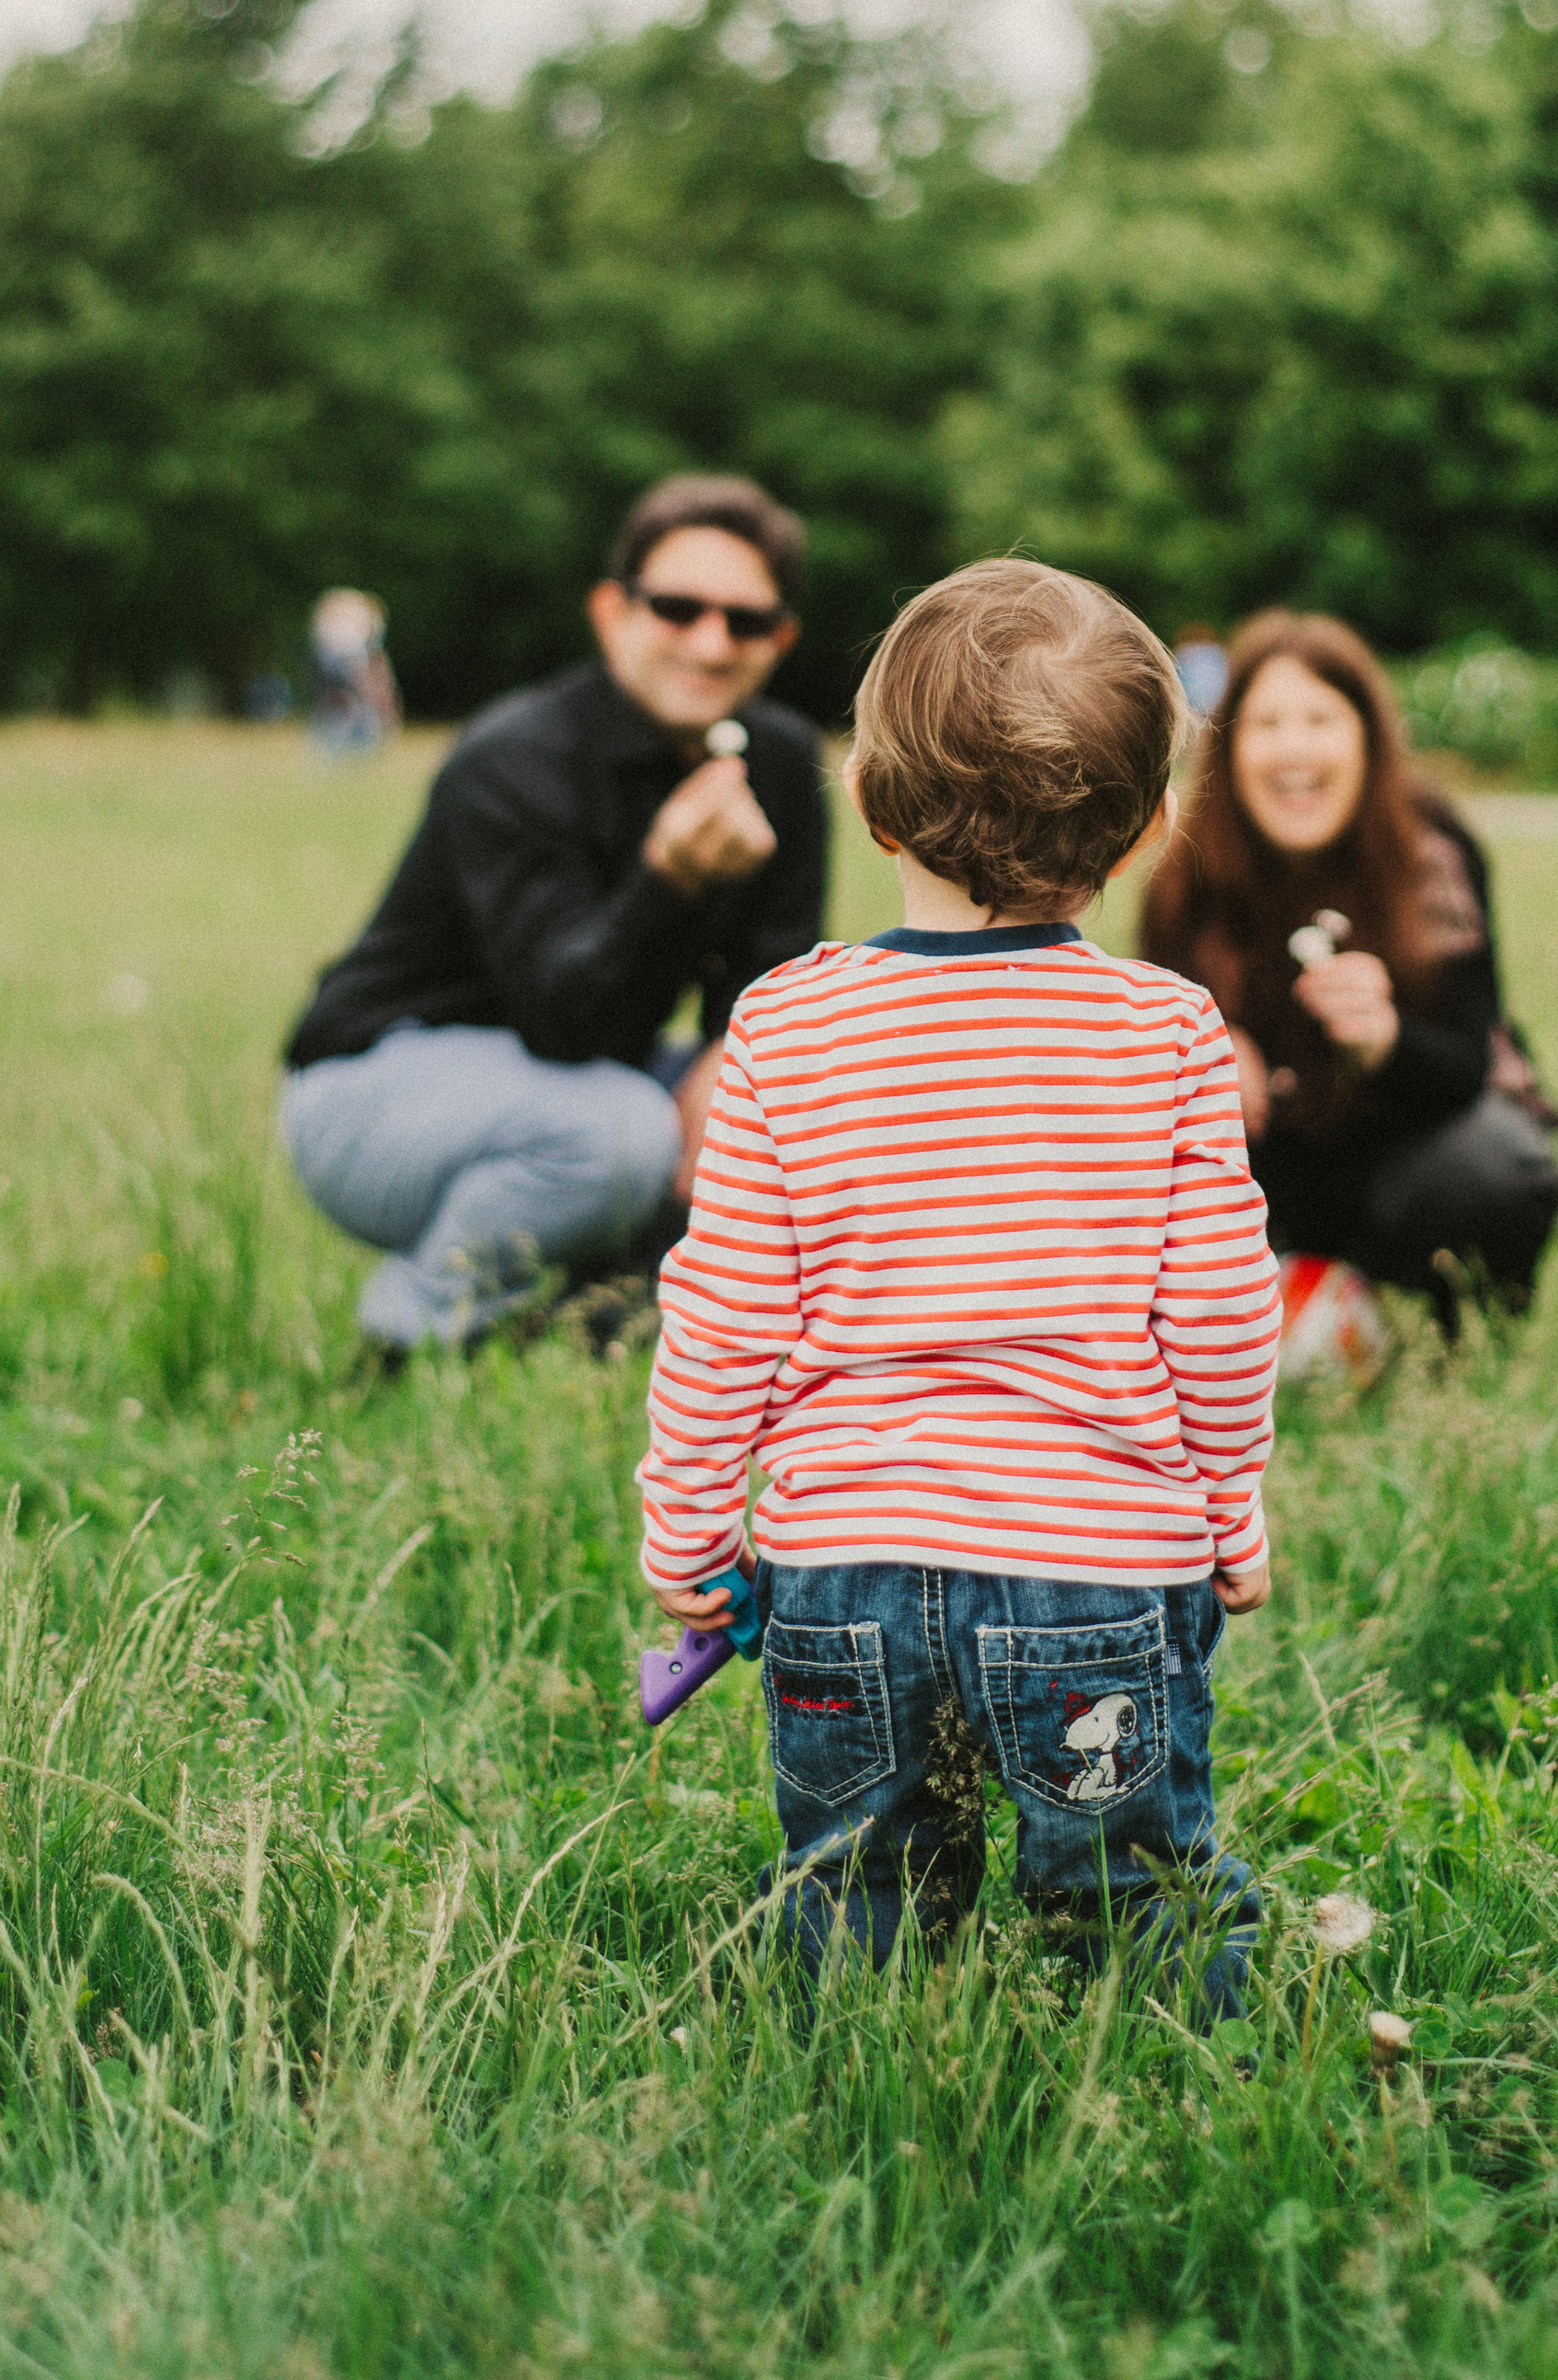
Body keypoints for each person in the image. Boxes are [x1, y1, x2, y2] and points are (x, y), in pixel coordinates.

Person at [637, 559, 1279, 2013]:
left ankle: (852, 2081)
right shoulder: (1168, 1030)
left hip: (841, 1573)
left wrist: (689, 1529)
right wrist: (1230, 1509)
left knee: (854, 1883)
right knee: (1139, 1895)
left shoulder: (786, 1023)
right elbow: (1227, 1309)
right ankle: (1191, 2084)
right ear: (1151, 829)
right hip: (1097, 1572)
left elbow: (722, 1310)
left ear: (867, 800)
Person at [281, 475, 826, 1356]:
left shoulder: (785, 764)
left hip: (574, 1074)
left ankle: (603, 1319)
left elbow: (770, 992)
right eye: (678, 608)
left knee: (787, 1109)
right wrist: (669, 877)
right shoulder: (516, 759)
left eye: (746, 620)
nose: (711, 642)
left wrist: (733, 1086)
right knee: (617, 1135)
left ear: (781, 639)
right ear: (613, 612)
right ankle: (412, 1337)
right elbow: (561, 1018)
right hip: (376, 1086)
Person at [1140, 611, 1558, 1339]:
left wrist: (1385, 1044)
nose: (1293, 748)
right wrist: (1206, 1057)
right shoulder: (1190, 876)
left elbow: (1467, 1062)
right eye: (1267, 724)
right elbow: (1137, 1074)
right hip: (1271, 1177)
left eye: (1320, 720)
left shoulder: (1430, 852)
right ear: (1229, 746)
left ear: (1367, 739)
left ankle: (1461, 1303)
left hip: (1402, 1157)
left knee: (1495, 1164)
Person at [306, 588, 400, 758]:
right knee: (344, 717)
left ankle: (348, 754)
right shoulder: (347, 645)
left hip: (346, 688)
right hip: (345, 688)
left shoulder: (350, 642)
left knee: (350, 718)